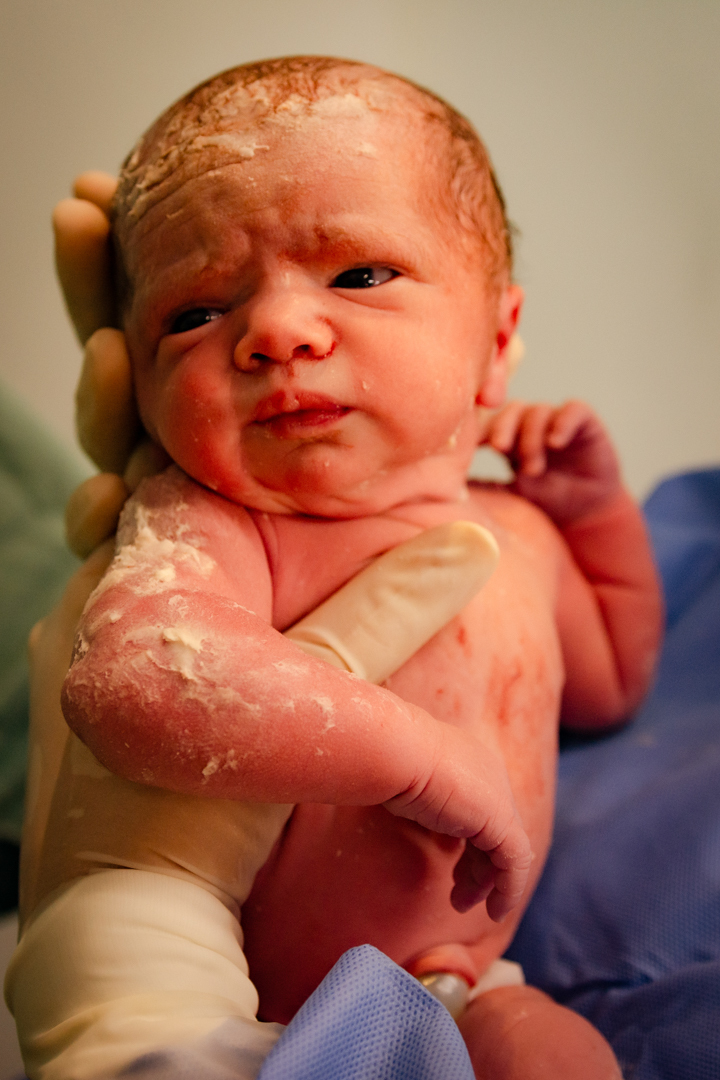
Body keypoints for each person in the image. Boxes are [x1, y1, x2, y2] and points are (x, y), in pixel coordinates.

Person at [6, 57, 662, 1080]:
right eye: (193, 313)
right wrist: (422, 761)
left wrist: (596, 513)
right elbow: (131, 682)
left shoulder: (522, 536)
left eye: (358, 275)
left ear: (498, 340)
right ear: (135, 383)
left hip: (464, 977)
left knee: (558, 1055)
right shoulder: (219, 522)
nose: (274, 331)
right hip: (226, 991)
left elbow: (615, 680)